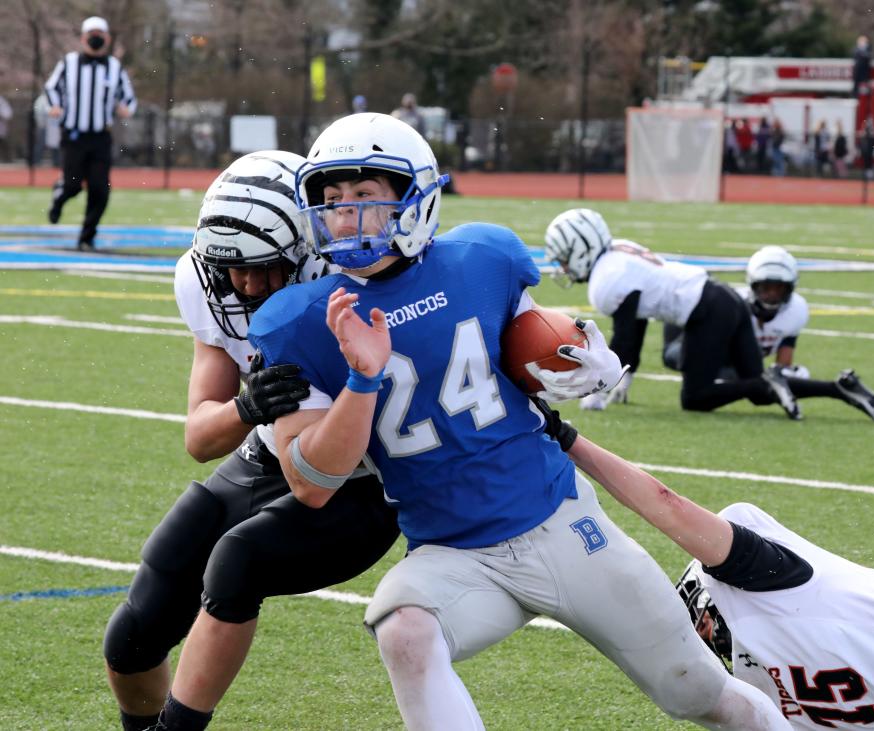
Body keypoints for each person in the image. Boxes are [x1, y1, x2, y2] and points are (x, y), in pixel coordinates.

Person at [246, 112, 789, 730]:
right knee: (404, 633)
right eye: (333, 200)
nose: (347, 216)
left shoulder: (483, 258)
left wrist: (586, 359)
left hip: (561, 523)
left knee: (700, 694)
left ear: (416, 197)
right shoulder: (300, 320)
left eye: (366, 197)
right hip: (453, 555)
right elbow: (312, 482)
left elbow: (539, 343)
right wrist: (362, 379)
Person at [103, 150, 399, 731]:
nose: (248, 283)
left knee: (236, 563)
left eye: (267, 267)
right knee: (133, 637)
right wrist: (247, 405)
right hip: (269, 450)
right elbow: (199, 433)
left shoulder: (350, 280)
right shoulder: (205, 280)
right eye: (235, 267)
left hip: (369, 478)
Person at [538, 423, 874, 729]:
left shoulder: (768, 695)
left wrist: (566, 439)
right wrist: (566, 437)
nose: (712, 635)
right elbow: (666, 506)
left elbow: (667, 507)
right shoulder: (772, 586)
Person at [544, 209, 874, 422]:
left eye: (563, 257)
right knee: (756, 391)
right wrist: (626, 375)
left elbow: (628, 334)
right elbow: (635, 323)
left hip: (707, 312)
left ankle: (768, 380)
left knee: (695, 399)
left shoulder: (607, 277)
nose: (561, 266)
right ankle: (839, 388)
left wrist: (603, 389)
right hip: (722, 299)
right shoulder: (617, 251)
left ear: (581, 248)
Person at [44, 16, 137, 250]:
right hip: (74, 135)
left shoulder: (115, 67)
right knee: (73, 185)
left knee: (100, 189)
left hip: (99, 137)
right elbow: (51, 88)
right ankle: (60, 196)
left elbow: (128, 96)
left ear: (106, 38)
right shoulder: (68, 62)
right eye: (91, 33)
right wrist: (54, 106)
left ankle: (86, 237)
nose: (95, 38)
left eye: (100, 33)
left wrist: (126, 108)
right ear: (83, 37)